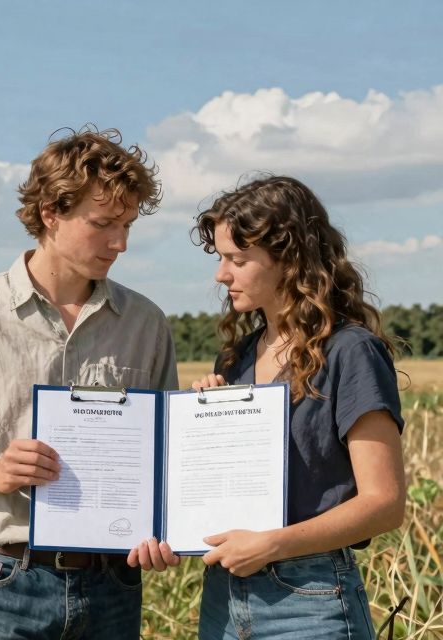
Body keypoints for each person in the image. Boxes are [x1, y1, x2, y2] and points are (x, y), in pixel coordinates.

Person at [0, 126, 179, 638]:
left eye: (128, 225)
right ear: (51, 212)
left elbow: (168, 456)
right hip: (3, 585)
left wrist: (165, 528)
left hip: (115, 586)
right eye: (104, 224)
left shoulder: (147, 324)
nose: (121, 243)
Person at [187, 176, 405, 639]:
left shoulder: (351, 352)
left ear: (289, 261)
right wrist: (202, 423)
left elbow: (384, 503)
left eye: (237, 260)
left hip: (310, 600)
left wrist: (271, 545)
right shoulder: (235, 358)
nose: (221, 275)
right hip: (223, 599)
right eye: (221, 258)